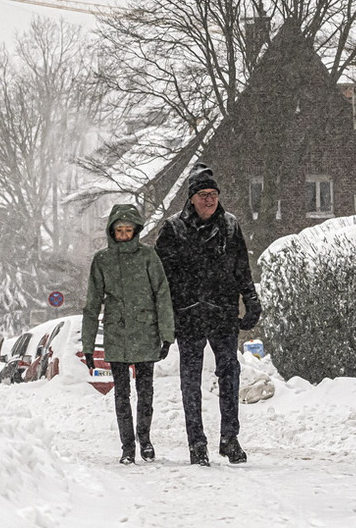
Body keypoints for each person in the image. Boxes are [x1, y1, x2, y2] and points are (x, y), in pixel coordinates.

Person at [155, 164, 261, 466]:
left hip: (223, 312)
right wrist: (164, 321)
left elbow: (242, 267)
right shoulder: (173, 228)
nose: (209, 200)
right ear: (191, 198)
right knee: (190, 380)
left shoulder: (230, 225)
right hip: (188, 315)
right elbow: (162, 281)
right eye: (203, 195)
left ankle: (230, 438)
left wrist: (251, 301)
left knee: (230, 373)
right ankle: (196, 443)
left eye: (213, 194)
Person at [82, 203, 176, 464]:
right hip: (117, 334)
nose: (124, 234)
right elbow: (92, 304)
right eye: (119, 230)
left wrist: (167, 334)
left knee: (145, 391)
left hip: (145, 332)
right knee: (121, 394)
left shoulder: (148, 257)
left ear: (136, 231)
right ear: (111, 231)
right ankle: (127, 446)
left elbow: (162, 294)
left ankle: (144, 439)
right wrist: (88, 345)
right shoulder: (102, 260)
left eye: (128, 230)